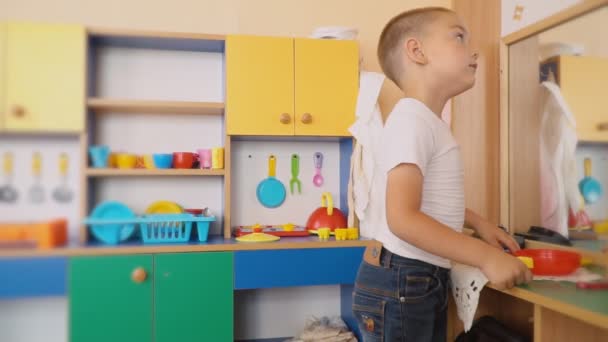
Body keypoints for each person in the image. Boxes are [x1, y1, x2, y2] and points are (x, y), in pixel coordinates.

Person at [352, 7, 533, 342]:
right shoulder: (413, 121)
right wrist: (485, 255)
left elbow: (424, 202)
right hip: (403, 279)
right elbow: (403, 218)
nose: (473, 50)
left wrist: (477, 222)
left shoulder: (426, 122)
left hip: (412, 279)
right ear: (416, 51)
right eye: (459, 37)